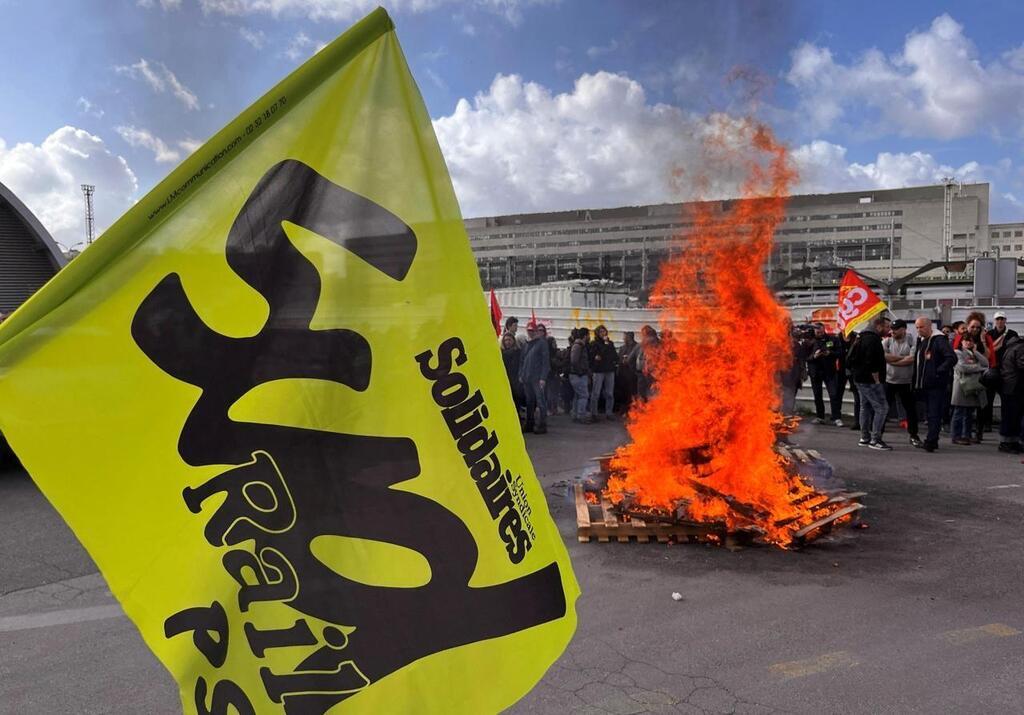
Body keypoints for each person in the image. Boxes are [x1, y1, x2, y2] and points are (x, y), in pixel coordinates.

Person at [913, 316, 957, 453]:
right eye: (917, 328)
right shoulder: (922, 341)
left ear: (929, 326)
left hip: (936, 384)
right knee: (929, 413)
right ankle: (932, 439)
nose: (919, 330)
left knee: (934, 413)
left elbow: (951, 358)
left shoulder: (939, 340)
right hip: (924, 384)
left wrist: (938, 372)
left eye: (921, 327)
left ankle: (931, 441)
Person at [847, 315, 891, 450]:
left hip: (859, 378)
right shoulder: (873, 339)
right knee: (882, 408)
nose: (888, 329)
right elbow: (871, 361)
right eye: (887, 326)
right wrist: (877, 379)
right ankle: (875, 440)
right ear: (879, 326)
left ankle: (864, 437)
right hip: (870, 380)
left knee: (865, 407)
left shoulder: (861, 337)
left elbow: (850, 358)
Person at [883, 319, 921, 447]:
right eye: (892, 329)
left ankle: (914, 435)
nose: (892, 331)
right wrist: (901, 358)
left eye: (896, 329)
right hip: (889, 380)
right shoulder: (887, 341)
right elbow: (883, 356)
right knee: (883, 409)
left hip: (906, 381)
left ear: (903, 329)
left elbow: (912, 359)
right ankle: (877, 434)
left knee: (910, 410)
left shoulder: (912, 341)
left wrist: (893, 361)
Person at [982, 311, 1018, 436]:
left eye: (1002, 319)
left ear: (1005, 320)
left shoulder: (1012, 334)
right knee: (988, 398)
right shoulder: (990, 334)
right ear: (995, 321)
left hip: (1006, 371)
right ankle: (987, 423)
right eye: (998, 319)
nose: (1000, 321)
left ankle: (1005, 422)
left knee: (1006, 398)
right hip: (992, 368)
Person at [951, 335, 988, 445]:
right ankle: (956, 436)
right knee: (959, 411)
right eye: (966, 340)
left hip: (973, 385)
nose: (968, 343)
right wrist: (979, 368)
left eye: (971, 341)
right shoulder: (957, 352)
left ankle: (966, 435)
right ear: (962, 341)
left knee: (969, 413)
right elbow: (962, 367)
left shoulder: (973, 353)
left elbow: (986, 363)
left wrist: (976, 352)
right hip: (961, 385)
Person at [806, 323, 843, 426]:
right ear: (814, 332)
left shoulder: (832, 339)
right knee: (817, 395)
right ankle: (820, 416)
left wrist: (830, 353)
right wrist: (814, 356)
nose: (820, 334)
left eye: (821, 331)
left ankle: (836, 417)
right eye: (818, 332)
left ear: (824, 330)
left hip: (830, 372)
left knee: (834, 394)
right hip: (815, 372)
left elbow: (840, 353)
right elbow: (805, 357)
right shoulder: (809, 342)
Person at [518, 322, 549, 434]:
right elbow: (521, 361)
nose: (530, 333)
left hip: (537, 378)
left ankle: (542, 424)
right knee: (529, 402)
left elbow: (545, 362)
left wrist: (543, 378)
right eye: (529, 331)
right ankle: (530, 423)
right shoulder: (527, 344)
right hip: (527, 378)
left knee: (540, 402)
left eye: (532, 331)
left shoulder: (542, 343)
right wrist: (521, 374)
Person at [998, 333, 1024, 453]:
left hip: (1008, 385)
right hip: (1016, 387)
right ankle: (1007, 443)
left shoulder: (1010, 346)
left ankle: (1010, 442)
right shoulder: (1021, 348)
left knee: (1010, 416)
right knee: (1012, 416)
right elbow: (1021, 365)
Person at [588, 325, 617, 420]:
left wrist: (607, 345)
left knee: (609, 393)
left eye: (604, 331)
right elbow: (596, 355)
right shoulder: (594, 343)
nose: (603, 333)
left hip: (609, 370)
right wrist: (605, 345)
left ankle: (609, 412)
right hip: (599, 370)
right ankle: (594, 413)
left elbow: (614, 355)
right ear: (597, 333)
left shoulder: (610, 343)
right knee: (596, 392)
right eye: (601, 332)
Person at [568, 327, 592, 422]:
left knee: (578, 395)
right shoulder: (578, 346)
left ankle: (575, 414)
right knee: (584, 395)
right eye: (588, 335)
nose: (589, 337)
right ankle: (581, 415)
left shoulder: (580, 345)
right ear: (585, 336)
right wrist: (580, 371)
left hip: (578, 374)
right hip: (578, 375)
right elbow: (574, 361)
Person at [538, 324, 561, 415]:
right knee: (544, 392)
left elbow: (554, 353)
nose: (540, 332)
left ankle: (553, 408)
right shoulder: (536, 342)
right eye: (539, 330)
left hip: (551, 370)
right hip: (542, 371)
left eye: (542, 330)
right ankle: (547, 408)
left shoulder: (549, 341)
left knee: (552, 391)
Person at [616, 331, 641, 409]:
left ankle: (632, 409)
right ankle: (624, 408)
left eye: (624, 337)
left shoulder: (636, 347)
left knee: (632, 392)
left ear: (629, 337)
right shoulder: (622, 348)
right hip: (623, 374)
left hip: (632, 374)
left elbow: (638, 359)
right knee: (623, 392)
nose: (623, 339)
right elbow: (619, 359)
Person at [500, 333, 523, 413]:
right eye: (506, 340)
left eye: (509, 340)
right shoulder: (501, 353)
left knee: (516, 401)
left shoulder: (518, 352)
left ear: (513, 341)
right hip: (505, 380)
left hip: (515, 381)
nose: (507, 342)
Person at [637, 325, 659, 401]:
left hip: (650, 371)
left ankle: (651, 406)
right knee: (649, 390)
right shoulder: (647, 342)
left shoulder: (650, 341)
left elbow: (649, 357)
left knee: (650, 389)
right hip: (646, 371)